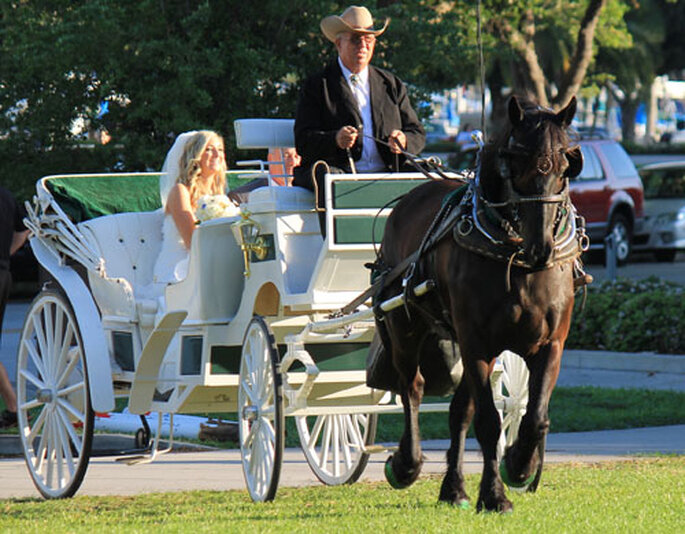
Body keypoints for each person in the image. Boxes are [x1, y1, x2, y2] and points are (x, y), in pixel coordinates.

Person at [292, 5, 426, 233]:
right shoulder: (318, 85)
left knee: (428, 175)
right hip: (339, 172)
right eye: (355, 40)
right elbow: (303, 141)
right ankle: (338, 245)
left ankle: (420, 252)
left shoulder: (390, 84)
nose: (363, 46)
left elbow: (417, 132)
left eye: (369, 40)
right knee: (331, 179)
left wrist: (403, 140)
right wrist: (335, 139)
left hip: (388, 169)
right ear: (339, 43)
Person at [153, 130, 228, 285]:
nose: (216, 154)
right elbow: (193, 243)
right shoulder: (180, 191)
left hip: (209, 263)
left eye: (220, 150)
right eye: (208, 149)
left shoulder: (219, 195)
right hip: (179, 270)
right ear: (196, 156)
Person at [0, 186, 30, 428]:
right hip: (3, 274)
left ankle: (14, 407)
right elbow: (23, 231)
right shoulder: (7, 195)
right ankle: (14, 408)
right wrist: (6, 254)